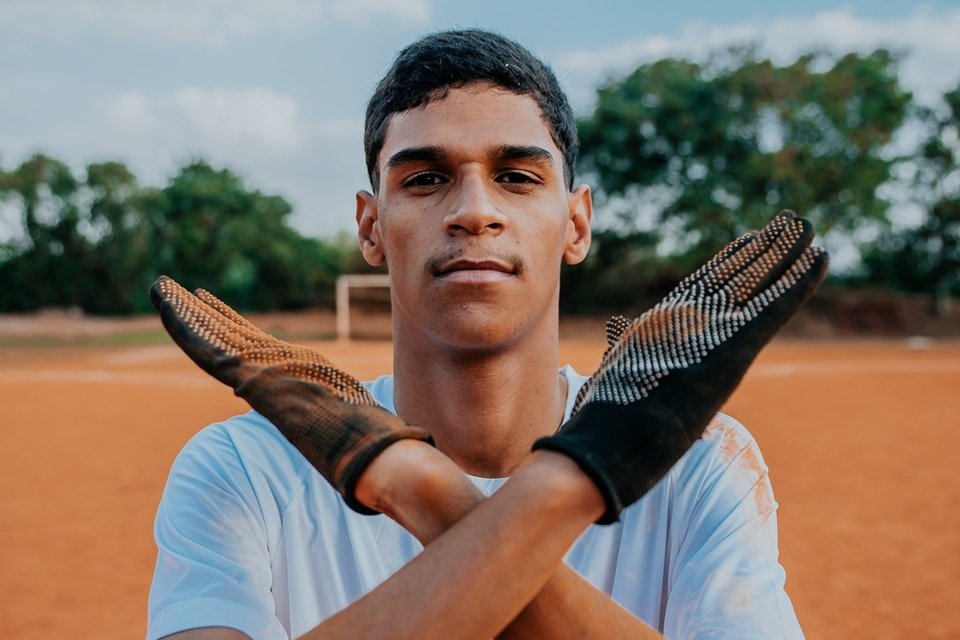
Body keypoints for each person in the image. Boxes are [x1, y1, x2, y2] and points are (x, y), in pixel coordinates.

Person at [147, 29, 823, 640]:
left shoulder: (702, 462)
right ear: (370, 227)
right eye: (427, 178)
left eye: (518, 177)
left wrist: (421, 489)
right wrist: (575, 480)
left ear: (577, 223)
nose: (474, 211)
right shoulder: (243, 468)